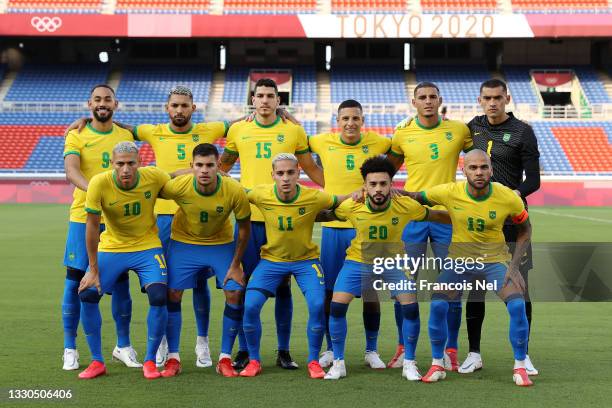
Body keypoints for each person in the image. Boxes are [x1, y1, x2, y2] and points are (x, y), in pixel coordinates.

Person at [66, 85, 234, 368]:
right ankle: (164, 345)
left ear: (194, 108)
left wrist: (278, 110)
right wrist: (88, 118)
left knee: (200, 283)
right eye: (174, 105)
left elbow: (242, 126)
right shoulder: (151, 131)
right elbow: (117, 124)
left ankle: (202, 342)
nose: (179, 110)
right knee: (167, 287)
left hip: (195, 214)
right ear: (167, 109)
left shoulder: (210, 129)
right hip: (161, 217)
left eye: (184, 105)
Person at [219, 78, 324, 370]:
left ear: (279, 100)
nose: (265, 100)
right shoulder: (238, 129)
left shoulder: (293, 130)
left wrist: (337, 189)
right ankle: (244, 348)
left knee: (284, 287)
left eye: (270, 96)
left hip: (283, 220)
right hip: (249, 221)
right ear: (253, 99)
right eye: (260, 95)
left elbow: (312, 168)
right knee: (244, 286)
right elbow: (222, 168)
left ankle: (283, 350)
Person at [318, 156, 450, 381]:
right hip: (357, 262)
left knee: (410, 307)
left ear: (391, 184)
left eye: (383, 183)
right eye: (373, 184)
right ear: (365, 186)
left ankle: (409, 362)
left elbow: (437, 215)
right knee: (337, 307)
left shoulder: (406, 206)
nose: (378, 189)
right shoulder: (352, 205)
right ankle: (339, 363)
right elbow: (323, 215)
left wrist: (468, 217)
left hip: (393, 264)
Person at [408, 149, 533, 387]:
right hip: (459, 262)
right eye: (473, 168)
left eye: (483, 167)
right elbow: (416, 196)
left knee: (517, 305)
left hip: (494, 262)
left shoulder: (507, 197)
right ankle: (437, 363)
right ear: (463, 170)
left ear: (491, 170)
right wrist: (392, 193)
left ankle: (520, 366)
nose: (479, 172)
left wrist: (514, 266)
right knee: (438, 303)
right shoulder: (449, 191)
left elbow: (525, 229)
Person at [386, 82, 473, 370]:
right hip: (411, 218)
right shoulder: (402, 133)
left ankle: (451, 350)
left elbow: (480, 155)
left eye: (432, 97)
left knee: (453, 286)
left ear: (440, 101)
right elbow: (385, 170)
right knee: (403, 286)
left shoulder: (459, 131)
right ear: (414, 102)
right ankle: (402, 347)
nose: (427, 101)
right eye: (421, 97)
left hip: (447, 218)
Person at [239, 153, 348, 378]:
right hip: (271, 261)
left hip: (306, 262)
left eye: (290, 172)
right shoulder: (261, 193)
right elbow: (235, 191)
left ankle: (313, 362)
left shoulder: (314, 197)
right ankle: (254, 360)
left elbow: (340, 200)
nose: (286, 178)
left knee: (318, 305)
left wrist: (361, 193)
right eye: (280, 173)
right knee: (250, 306)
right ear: (273, 175)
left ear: (299, 172)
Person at [461, 79, 540, 376]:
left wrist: (512, 197)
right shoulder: (472, 128)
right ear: (479, 100)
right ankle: (474, 353)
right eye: (487, 98)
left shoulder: (523, 132)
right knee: (475, 287)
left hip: (512, 221)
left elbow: (533, 179)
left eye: (497, 98)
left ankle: (524, 354)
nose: (492, 103)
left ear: (506, 98)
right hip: (479, 222)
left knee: (520, 286)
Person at [77, 141, 175, 380]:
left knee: (160, 296)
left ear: (139, 163)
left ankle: (150, 361)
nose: (126, 169)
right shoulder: (99, 183)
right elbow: (91, 228)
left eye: (131, 163)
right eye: (120, 164)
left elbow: (173, 175)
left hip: (147, 247)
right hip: (112, 246)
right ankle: (97, 361)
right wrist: (92, 269)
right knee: (88, 294)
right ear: (112, 164)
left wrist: (197, 171)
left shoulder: (152, 176)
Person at [309, 99, 392, 369]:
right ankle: (332, 349)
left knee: (371, 293)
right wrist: (327, 185)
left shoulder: (379, 143)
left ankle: (372, 349)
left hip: (365, 228)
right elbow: (299, 152)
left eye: (355, 118)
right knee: (331, 293)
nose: (350, 123)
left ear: (363, 120)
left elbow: (393, 163)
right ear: (337, 120)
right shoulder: (321, 141)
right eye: (345, 118)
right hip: (334, 228)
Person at [156, 143, 251, 378]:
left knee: (234, 291)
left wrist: (236, 264)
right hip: (184, 243)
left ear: (219, 166)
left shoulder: (234, 190)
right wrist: (180, 173)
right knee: (173, 293)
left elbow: (244, 230)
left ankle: (225, 358)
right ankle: (173, 358)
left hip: (219, 244)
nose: (205, 170)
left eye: (210, 165)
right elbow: (152, 186)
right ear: (192, 166)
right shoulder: (180, 185)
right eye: (199, 165)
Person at [62, 84, 139, 370]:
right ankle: (70, 347)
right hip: (83, 217)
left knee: (120, 284)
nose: (102, 103)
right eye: (97, 99)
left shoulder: (126, 134)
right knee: (74, 282)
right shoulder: (77, 134)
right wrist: (98, 195)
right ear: (89, 104)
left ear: (116, 104)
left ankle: (123, 345)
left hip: (117, 221)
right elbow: (72, 171)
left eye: (107, 99)